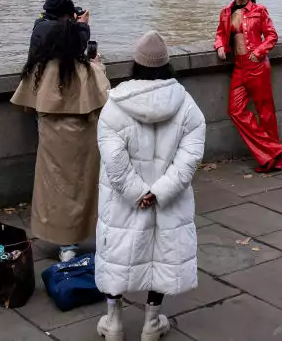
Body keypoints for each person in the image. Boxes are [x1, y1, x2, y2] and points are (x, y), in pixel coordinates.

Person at [94, 30, 206, 341]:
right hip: (167, 201)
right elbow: (190, 158)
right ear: (167, 65)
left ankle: (113, 323)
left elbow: (114, 162)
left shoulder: (114, 106)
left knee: (115, 253)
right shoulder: (186, 105)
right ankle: (151, 324)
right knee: (162, 256)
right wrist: (159, 193)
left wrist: (137, 193)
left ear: (135, 65)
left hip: (123, 201)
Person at [11, 0, 110, 262]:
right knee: (83, 186)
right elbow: (105, 96)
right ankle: (82, 236)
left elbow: (27, 101)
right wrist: (95, 62)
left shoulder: (41, 70)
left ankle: (63, 241)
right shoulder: (85, 70)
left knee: (54, 186)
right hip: (84, 136)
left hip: (51, 135)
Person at [214, 0, 282, 172]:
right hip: (239, 67)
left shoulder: (259, 10)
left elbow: (272, 36)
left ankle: (274, 160)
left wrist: (259, 51)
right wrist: (219, 45)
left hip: (257, 66)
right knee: (235, 111)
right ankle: (273, 149)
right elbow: (220, 33)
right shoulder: (226, 12)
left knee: (266, 113)